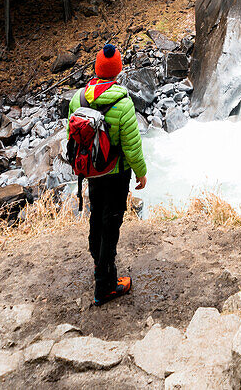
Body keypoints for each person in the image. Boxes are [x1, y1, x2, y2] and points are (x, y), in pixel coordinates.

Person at [67, 42, 147, 306]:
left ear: (96, 68)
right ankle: (105, 286)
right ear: (117, 71)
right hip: (116, 174)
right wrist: (141, 173)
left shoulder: (77, 99)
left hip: (91, 172)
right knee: (112, 223)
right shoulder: (122, 104)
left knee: (97, 216)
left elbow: (74, 135)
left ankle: (98, 260)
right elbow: (131, 146)